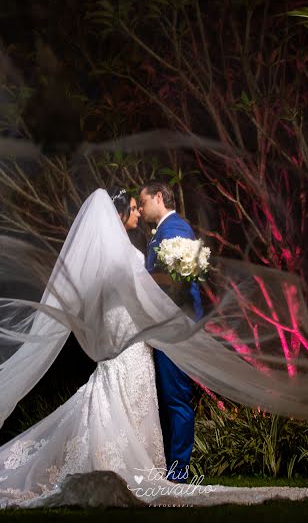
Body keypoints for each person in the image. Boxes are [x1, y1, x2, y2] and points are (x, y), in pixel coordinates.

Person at [0, 187, 308, 508]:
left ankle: (140, 464)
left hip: (131, 344)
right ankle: (123, 466)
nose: (136, 212)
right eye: (131, 208)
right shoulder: (118, 252)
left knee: (126, 401)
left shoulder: (116, 251)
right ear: (119, 213)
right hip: (126, 344)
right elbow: (131, 290)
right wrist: (166, 280)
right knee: (122, 397)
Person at [138, 181, 202, 483]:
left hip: (175, 326)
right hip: (167, 326)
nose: (140, 208)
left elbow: (177, 284)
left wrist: (139, 283)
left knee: (176, 398)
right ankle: (172, 467)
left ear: (159, 197)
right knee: (169, 398)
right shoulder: (166, 230)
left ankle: (179, 470)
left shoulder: (174, 229)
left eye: (143, 201)